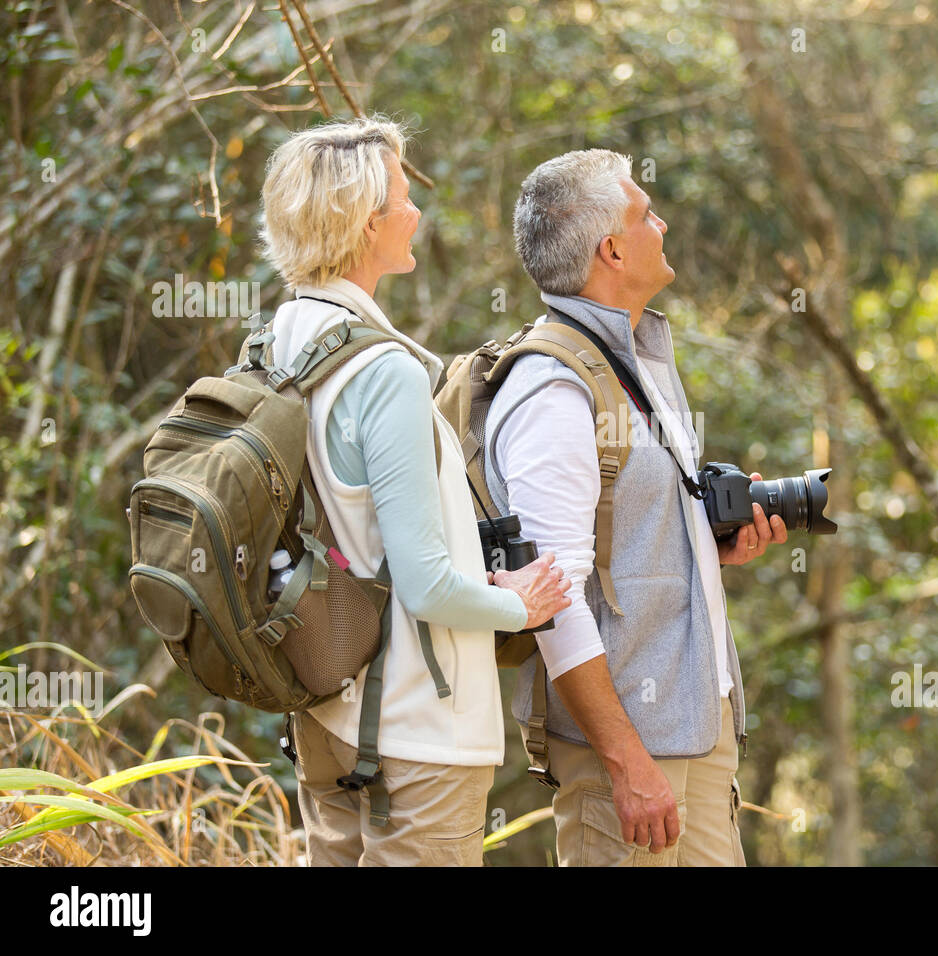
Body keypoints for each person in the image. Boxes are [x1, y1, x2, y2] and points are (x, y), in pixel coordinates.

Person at [258, 116, 570, 866]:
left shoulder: (278, 341)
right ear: (368, 225)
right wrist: (519, 606)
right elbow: (426, 586)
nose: (416, 212)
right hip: (416, 735)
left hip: (324, 715)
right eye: (403, 198)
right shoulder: (382, 372)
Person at [482, 149, 787, 866]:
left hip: (699, 729)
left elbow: (628, 538)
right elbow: (553, 597)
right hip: (625, 752)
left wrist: (708, 549)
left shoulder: (637, 358)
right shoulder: (554, 389)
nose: (664, 222)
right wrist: (624, 761)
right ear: (611, 249)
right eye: (646, 213)